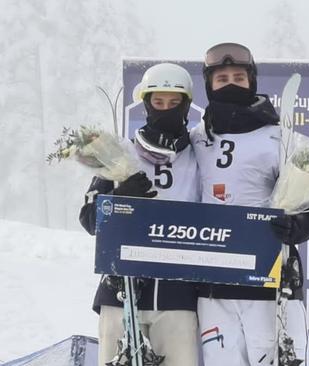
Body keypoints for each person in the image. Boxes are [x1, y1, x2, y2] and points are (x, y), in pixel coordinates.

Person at [190, 42, 309, 366]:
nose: (231, 84)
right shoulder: (197, 138)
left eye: (239, 77)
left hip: (269, 278)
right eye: (222, 79)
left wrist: (297, 225)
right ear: (209, 85)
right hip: (213, 283)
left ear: (252, 80)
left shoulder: (279, 137)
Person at [79, 63, 200, 366]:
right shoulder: (120, 152)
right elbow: (90, 218)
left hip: (178, 295)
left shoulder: (201, 155)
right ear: (147, 104)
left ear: (186, 105)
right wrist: (118, 198)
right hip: (121, 289)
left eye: (174, 103)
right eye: (158, 102)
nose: (166, 109)